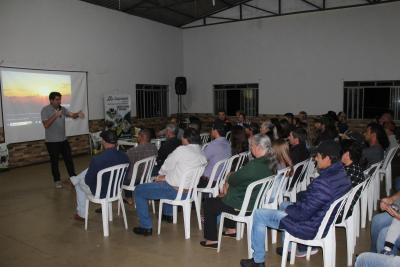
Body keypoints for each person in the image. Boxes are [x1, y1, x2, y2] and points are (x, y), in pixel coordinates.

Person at [240, 140, 351, 267]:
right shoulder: (342, 174)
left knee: (259, 214)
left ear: (327, 158)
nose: (315, 159)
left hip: (308, 225)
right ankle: (288, 250)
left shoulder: (323, 183)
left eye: (318, 156)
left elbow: (301, 214)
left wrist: (290, 208)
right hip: (321, 219)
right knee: (284, 204)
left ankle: (258, 261)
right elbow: (314, 199)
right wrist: (294, 202)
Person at [200, 134, 275, 248]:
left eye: (251, 146)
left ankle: (211, 240)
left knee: (209, 203)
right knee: (221, 199)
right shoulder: (271, 162)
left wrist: (229, 176)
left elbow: (233, 180)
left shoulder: (254, 165)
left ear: (258, 147)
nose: (250, 148)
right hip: (255, 202)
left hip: (241, 205)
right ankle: (231, 230)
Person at [132, 128, 207, 236]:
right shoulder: (201, 151)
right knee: (168, 179)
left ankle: (145, 226)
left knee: (139, 190)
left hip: (175, 191)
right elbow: (180, 171)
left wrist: (161, 176)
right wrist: (166, 177)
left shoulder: (182, 150)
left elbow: (166, 166)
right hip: (189, 191)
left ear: (185, 139)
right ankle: (168, 214)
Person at [69, 130, 129, 221]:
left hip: (101, 192)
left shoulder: (97, 159)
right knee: (89, 171)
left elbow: (88, 181)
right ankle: (75, 179)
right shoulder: (125, 156)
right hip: (116, 190)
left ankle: (81, 214)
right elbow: (126, 175)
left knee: (79, 184)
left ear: (104, 141)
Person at [41, 91, 84, 188]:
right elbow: (46, 125)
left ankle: (73, 178)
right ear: (51, 100)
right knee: (54, 162)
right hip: (52, 142)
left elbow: (72, 115)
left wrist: (78, 114)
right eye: (57, 99)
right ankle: (57, 180)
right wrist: (55, 115)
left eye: (60, 99)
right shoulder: (45, 110)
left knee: (69, 160)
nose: (59, 101)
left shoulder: (62, 109)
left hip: (63, 140)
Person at [123, 129, 158, 204]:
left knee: (124, 173)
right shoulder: (154, 148)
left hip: (136, 180)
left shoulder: (133, 151)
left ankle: (129, 198)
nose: (137, 138)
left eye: (138, 136)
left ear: (141, 137)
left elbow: (125, 162)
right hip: (148, 178)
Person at [198, 122, 231, 188]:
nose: (211, 131)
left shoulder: (213, 144)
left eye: (212, 129)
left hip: (208, 181)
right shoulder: (228, 143)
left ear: (215, 131)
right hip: (220, 178)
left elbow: (200, 160)